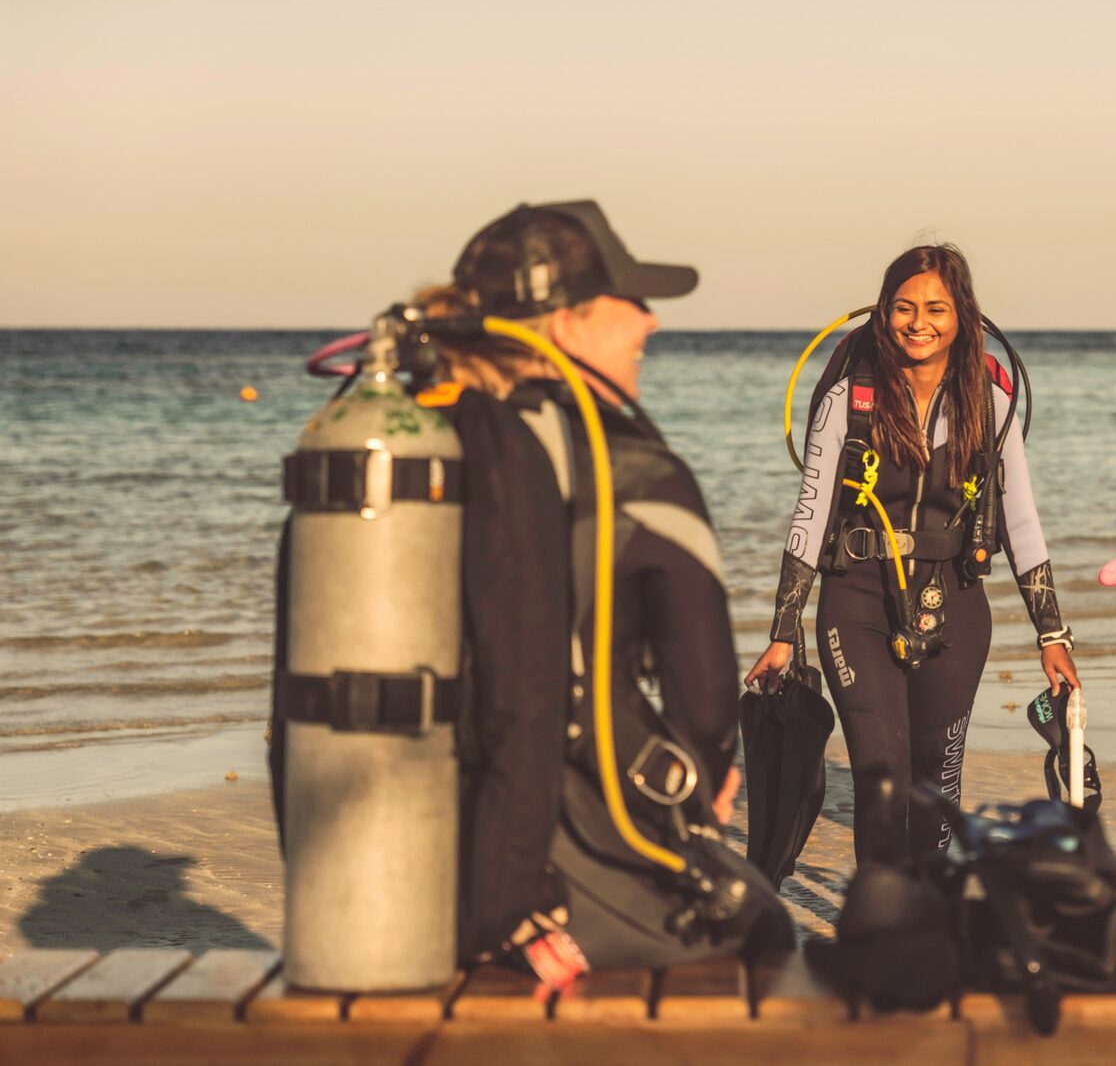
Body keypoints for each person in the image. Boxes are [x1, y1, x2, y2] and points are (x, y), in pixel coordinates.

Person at [270, 200, 789, 980]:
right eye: (632, 303)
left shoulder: (394, 445)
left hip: (378, 871)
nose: (650, 323)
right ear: (565, 323)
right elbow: (708, 706)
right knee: (770, 935)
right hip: (560, 874)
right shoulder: (636, 470)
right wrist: (697, 786)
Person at [747, 245, 1079, 863]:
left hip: (955, 604)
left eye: (935, 308)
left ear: (962, 316)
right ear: (883, 312)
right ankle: (876, 929)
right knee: (880, 776)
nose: (917, 322)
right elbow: (811, 513)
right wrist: (782, 631)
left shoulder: (990, 403)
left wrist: (1051, 634)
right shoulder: (850, 397)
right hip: (856, 602)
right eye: (903, 307)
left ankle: (929, 919)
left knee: (935, 786)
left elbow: (1021, 521)